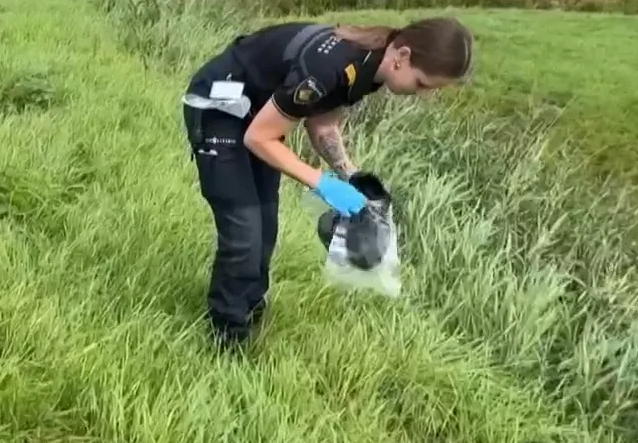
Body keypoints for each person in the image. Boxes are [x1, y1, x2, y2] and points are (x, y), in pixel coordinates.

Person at [181, 17, 473, 346]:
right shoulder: (329, 65)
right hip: (220, 110)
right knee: (245, 233)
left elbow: (322, 126)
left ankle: (249, 313)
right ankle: (227, 339)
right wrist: (323, 184)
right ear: (402, 56)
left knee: (264, 227)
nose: (422, 94)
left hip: (257, 118)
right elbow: (259, 139)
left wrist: (350, 175)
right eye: (422, 84)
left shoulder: (368, 66)